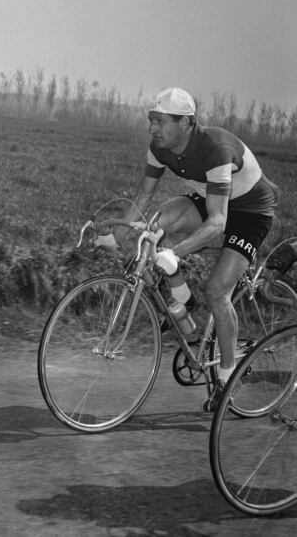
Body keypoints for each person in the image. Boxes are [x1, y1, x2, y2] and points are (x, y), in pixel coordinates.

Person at [114, 87, 279, 412]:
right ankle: (182, 301)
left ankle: (226, 379)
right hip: (212, 197)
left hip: (250, 210)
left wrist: (177, 252)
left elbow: (218, 222)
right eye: (151, 120)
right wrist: (118, 232)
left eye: (160, 121)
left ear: (186, 123)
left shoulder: (214, 149)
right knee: (156, 224)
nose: (152, 128)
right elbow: (144, 197)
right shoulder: (159, 149)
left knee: (217, 291)